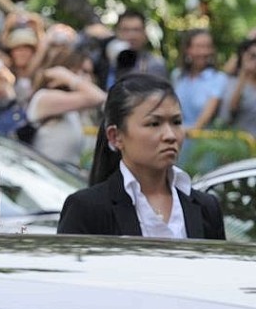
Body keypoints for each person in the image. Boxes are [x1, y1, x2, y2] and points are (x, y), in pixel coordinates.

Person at [58, 73, 225, 239]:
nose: (170, 135)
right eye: (154, 123)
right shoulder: (87, 208)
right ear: (115, 136)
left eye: (176, 122)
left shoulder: (206, 207)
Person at [26, 47, 106, 167]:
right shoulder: (45, 97)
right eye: (83, 71)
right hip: (40, 177)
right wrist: (70, 79)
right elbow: (99, 98)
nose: (88, 78)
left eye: (90, 73)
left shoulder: (73, 111)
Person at [97, 9, 168, 89]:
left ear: (145, 34)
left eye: (136, 30)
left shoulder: (154, 64)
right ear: (116, 33)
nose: (131, 35)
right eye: (125, 30)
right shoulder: (105, 60)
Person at [218, 37, 256, 137]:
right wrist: (244, 72)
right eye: (253, 56)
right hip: (242, 146)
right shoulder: (231, 83)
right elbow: (228, 113)